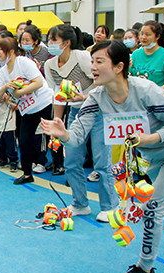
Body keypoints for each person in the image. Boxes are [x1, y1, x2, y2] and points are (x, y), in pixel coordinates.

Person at [41, 40, 164, 273]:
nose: (94, 68)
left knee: (153, 207)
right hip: (152, 155)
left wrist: (150, 138)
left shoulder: (147, 91)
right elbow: (77, 136)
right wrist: (63, 134)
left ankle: (146, 269)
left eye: (100, 62)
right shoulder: (97, 97)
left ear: (120, 66)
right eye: (92, 62)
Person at [43, 24, 113, 218]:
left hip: (99, 113)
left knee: (102, 163)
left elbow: (100, 83)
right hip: (76, 115)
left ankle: (109, 207)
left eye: (53, 40)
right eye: (48, 40)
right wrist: (57, 122)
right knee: (72, 161)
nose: (50, 44)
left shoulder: (81, 57)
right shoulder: (49, 65)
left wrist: (83, 98)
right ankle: (80, 203)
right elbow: (57, 95)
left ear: (66, 43)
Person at [0, 36, 52, 184]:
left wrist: (18, 93)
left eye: (1, 49)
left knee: (54, 137)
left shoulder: (24, 62)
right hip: (28, 110)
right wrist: (6, 87)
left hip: (45, 103)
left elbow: (38, 82)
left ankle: (61, 167)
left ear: (11, 51)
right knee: (24, 140)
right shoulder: (3, 72)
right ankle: (27, 174)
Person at [129, 21, 164, 91]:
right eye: (142, 34)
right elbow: (129, 75)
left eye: (148, 34)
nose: (143, 37)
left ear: (157, 37)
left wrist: (157, 91)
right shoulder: (135, 54)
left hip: (158, 98)